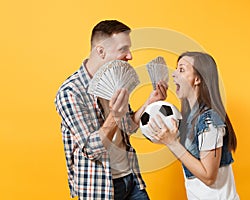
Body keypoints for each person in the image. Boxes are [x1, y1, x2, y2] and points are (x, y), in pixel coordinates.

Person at [54, 20, 167, 200]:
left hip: (131, 178)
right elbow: (91, 149)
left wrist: (149, 102)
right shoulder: (70, 93)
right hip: (99, 188)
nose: (130, 56)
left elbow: (127, 127)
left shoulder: (115, 78)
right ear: (101, 51)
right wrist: (115, 116)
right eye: (123, 49)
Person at [148, 52, 239, 199]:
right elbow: (189, 160)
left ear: (197, 79)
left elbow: (209, 177)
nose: (174, 74)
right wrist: (157, 106)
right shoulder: (189, 119)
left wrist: (172, 143)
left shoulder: (209, 121)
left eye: (182, 70)